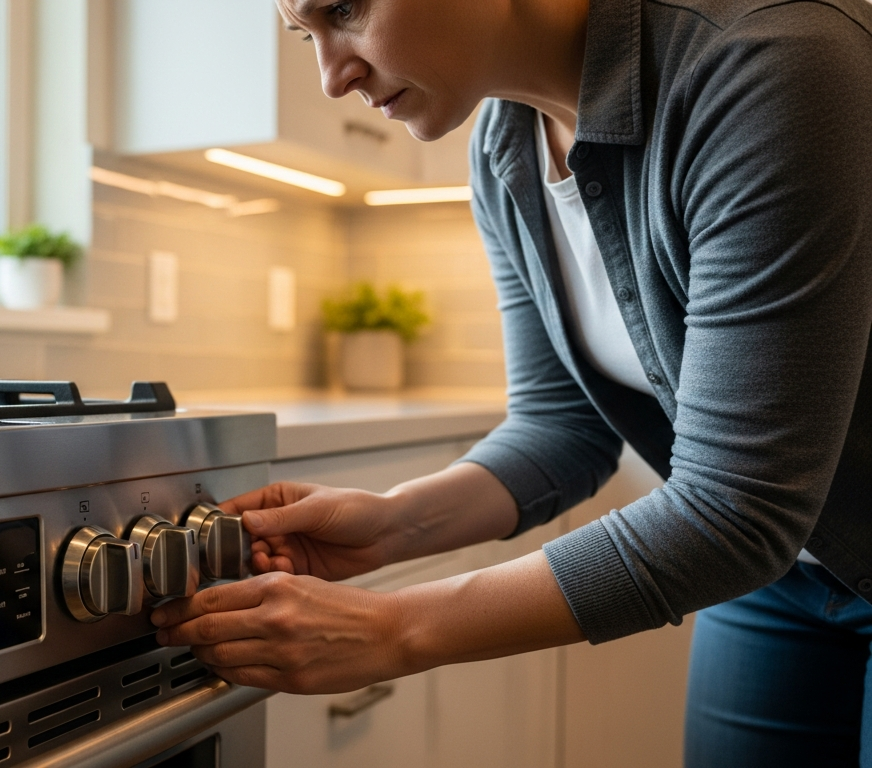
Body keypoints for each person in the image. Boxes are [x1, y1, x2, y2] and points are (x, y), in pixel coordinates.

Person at [149, 0, 872, 764]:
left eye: (346, 9)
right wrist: (393, 524)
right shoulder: (504, 148)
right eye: (307, 38)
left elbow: (738, 508)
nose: (332, 77)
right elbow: (563, 426)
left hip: (769, 542)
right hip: (784, 577)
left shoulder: (769, 62)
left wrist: (392, 630)